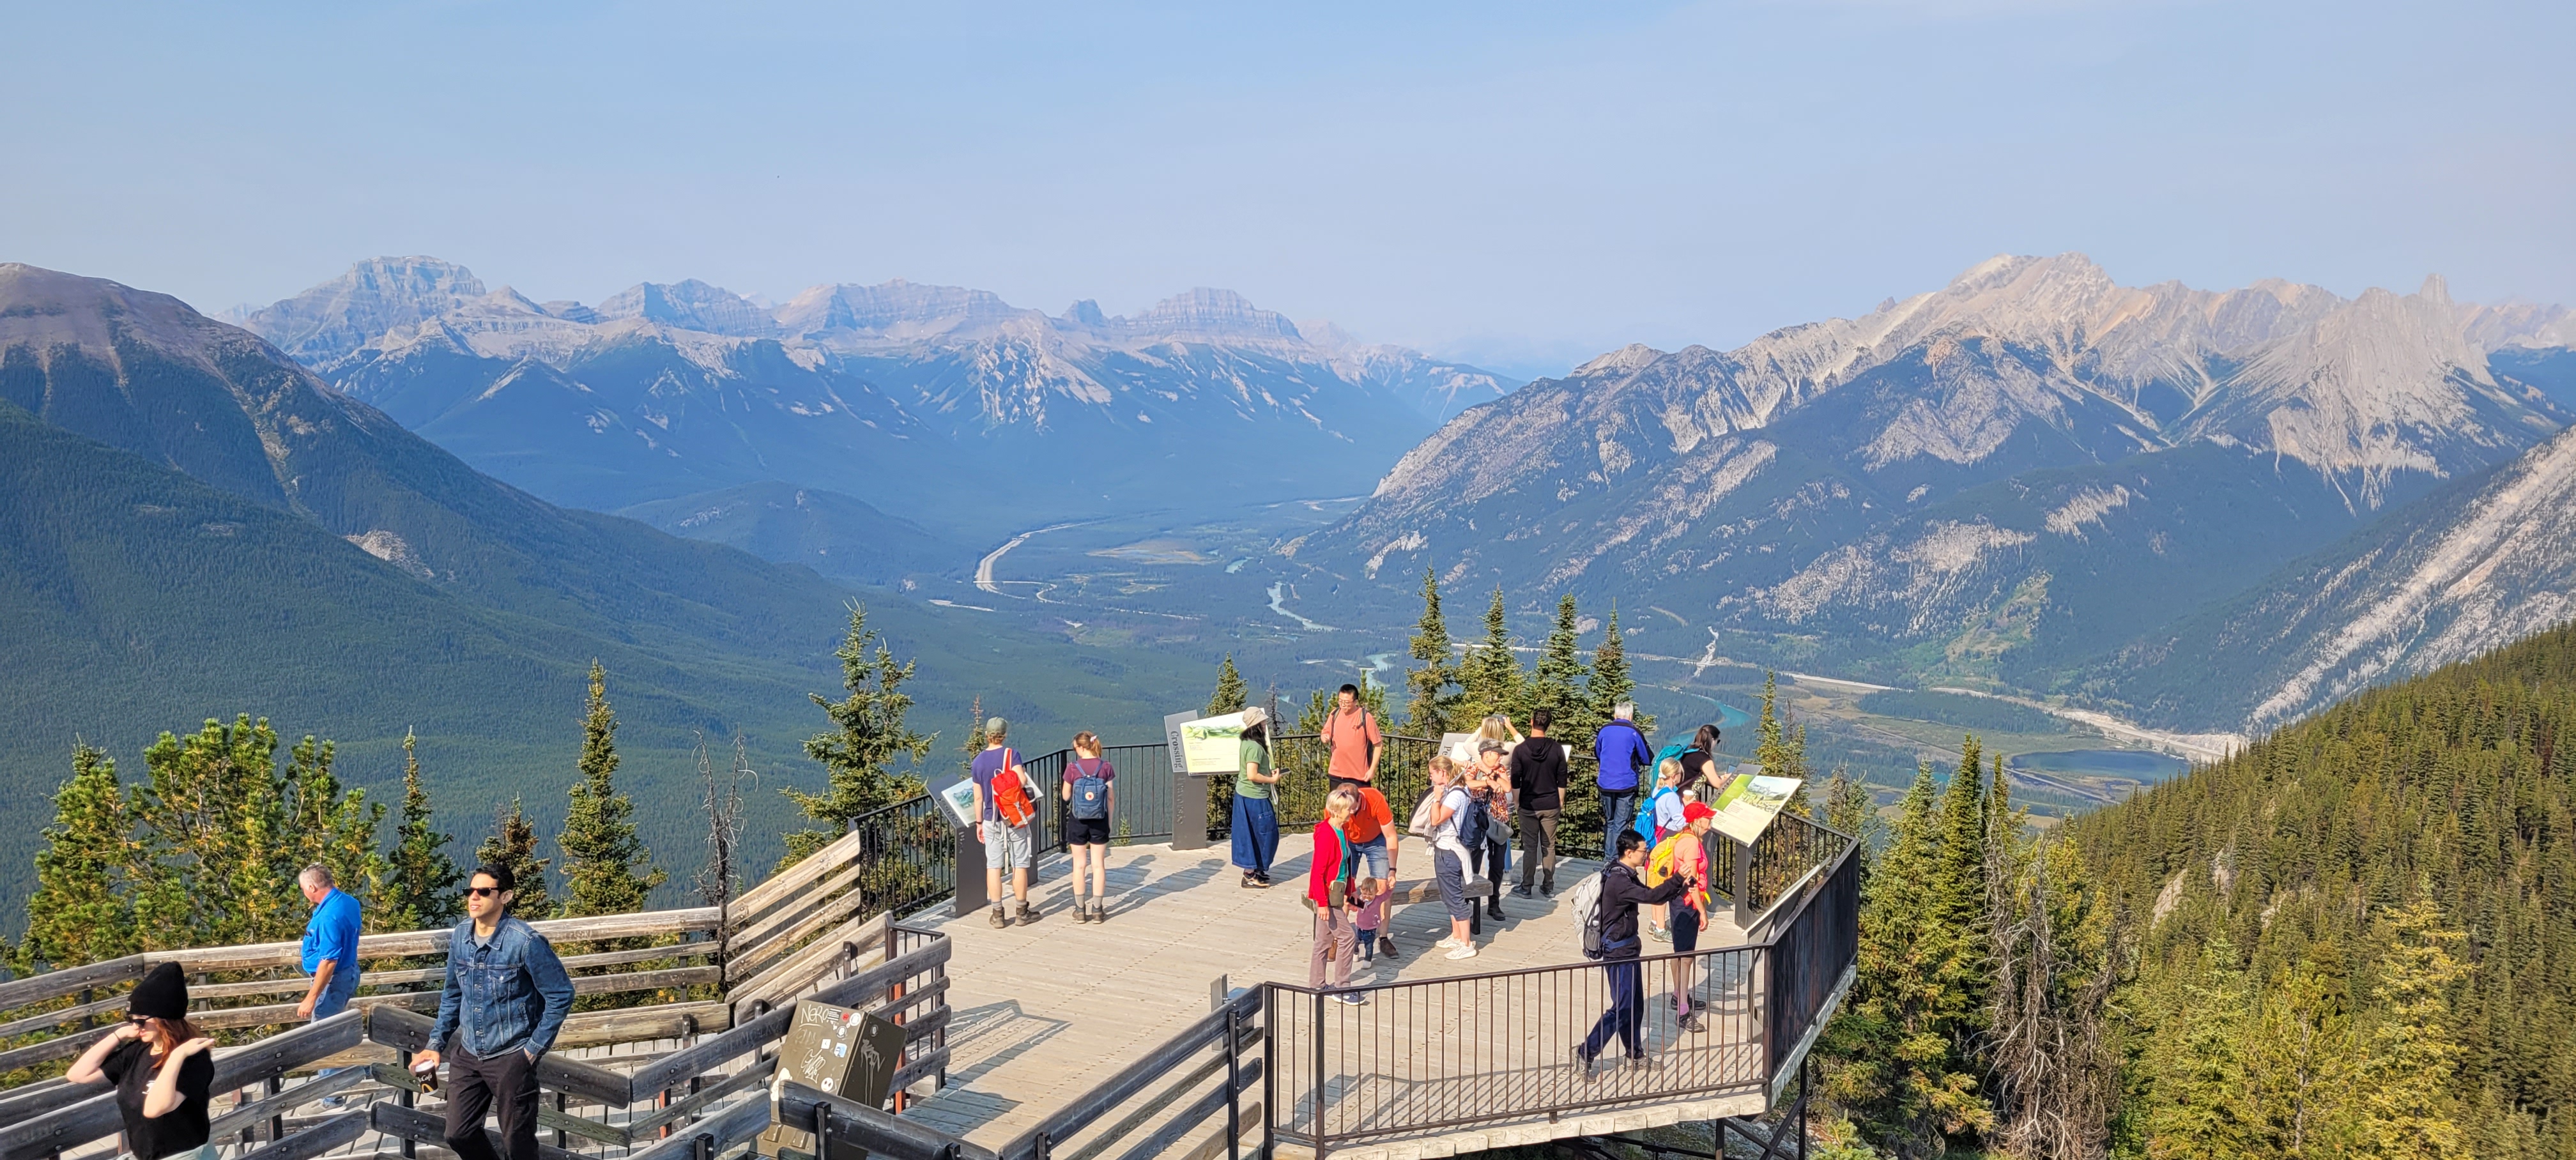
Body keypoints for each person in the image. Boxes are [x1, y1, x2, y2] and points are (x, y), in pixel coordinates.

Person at [417, 864, 575, 1160]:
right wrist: (435, 1045)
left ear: (505, 896)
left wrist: (531, 1052)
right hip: (468, 1053)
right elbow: (452, 993)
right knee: (458, 1133)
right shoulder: (461, 936)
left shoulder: (525, 942)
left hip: (512, 1054)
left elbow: (561, 995)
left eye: (484, 891)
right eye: (470, 891)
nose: (474, 897)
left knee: (518, 1142)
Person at [1574, 831, 1695, 1076]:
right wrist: (1677, 880)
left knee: (1635, 1006)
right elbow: (1649, 897)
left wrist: (1680, 885)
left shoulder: (1624, 873)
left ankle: (1635, 1054)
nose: (1646, 854)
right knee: (1621, 1009)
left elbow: (1651, 893)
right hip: (1618, 953)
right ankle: (1585, 1052)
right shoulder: (1619, 881)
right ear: (1629, 853)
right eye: (1643, 851)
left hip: (1628, 949)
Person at [69, 963, 215, 1160]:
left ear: (165, 1018)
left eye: (141, 1020)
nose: (136, 1026)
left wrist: (176, 1057)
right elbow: (78, 1074)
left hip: (186, 1155)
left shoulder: (194, 1059)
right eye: (131, 1019)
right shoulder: (137, 1052)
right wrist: (118, 1035)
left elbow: (154, 1108)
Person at [295, 862, 362, 1094]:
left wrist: (311, 998)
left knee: (323, 1037)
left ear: (312, 887)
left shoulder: (329, 917)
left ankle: (332, 1096)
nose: (303, 892)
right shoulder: (348, 902)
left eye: (303, 888)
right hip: (349, 972)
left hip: (332, 982)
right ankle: (356, 1071)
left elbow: (329, 960)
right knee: (333, 1031)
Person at [970, 719, 1043, 926]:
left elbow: (978, 798)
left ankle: (998, 914)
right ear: (1004, 734)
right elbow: (1021, 781)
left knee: (993, 865)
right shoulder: (1012, 755)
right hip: (1013, 816)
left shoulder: (978, 762)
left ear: (987, 735)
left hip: (990, 818)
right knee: (1019, 863)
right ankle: (1021, 911)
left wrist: (978, 823)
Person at [1660, 803, 1719, 1032]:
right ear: (1697, 821)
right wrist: (1702, 910)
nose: (1710, 823)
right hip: (1687, 904)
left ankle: (1678, 995)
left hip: (1678, 902)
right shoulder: (1692, 844)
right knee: (1686, 958)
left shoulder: (1684, 838)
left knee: (1680, 953)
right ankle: (1683, 1011)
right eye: (1707, 818)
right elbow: (1692, 882)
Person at [1308, 788, 1365, 1003]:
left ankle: (1317, 986)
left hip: (1338, 892)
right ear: (1336, 811)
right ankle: (1341, 988)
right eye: (1348, 809)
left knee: (1322, 942)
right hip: (1328, 897)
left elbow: (1345, 867)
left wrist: (1352, 897)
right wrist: (1322, 904)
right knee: (1348, 937)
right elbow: (1318, 872)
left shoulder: (1343, 831)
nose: (1351, 812)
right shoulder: (1326, 835)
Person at [1509, 708, 1568, 898]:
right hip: (1551, 804)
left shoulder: (1520, 750)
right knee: (1549, 845)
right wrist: (1560, 800)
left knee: (1530, 846)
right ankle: (1548, 885)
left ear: (1531, 721)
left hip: (1528, 805)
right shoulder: (1557, 749)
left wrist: (1517, 801)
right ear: (1548, 724)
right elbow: (1562, 779)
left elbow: (1515, 780)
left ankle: (1526, 886)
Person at [1423, 755, 1477, 959]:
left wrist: (1437, 799)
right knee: (1448, 896)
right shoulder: (1458, 789)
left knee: (1455, 897)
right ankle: (1456, 936)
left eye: (1432, 773)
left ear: (1442, 773)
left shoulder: (1455, 795)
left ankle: (1466, 943)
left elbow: (1436, 819)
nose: (1431, 777)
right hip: (1444, 849)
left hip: (1450, 851)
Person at [1060, 731, 1116, 924]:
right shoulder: (1106, 767)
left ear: (1082, 748)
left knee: (1079, 865)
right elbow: (1110, 797)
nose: (1075, 751)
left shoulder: (1073, 768)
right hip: (1100, 820)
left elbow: (1066, 796)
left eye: (1075, 748)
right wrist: (1109, 822)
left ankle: (1080, 910)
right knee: (1099, 865)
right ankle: (1098, 911)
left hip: (1078, 820)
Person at [1341, 780, 1400, 961]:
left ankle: (1383, 937)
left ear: (1359, 800)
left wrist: (1392, 870)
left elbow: (1391, 836)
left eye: (1352, 809)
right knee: (1343, 887)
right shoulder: (1336, 805)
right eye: (1346, 809)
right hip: (1349, 841)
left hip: (1376, 840)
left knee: (1383, 889)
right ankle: (1341, 938)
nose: (1349, 813)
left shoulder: (1375, 799)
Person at [1594, 703, 1653, 862]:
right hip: (1626, 784)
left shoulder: (1604, 731)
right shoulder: (1634, 733)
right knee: (1621, 824)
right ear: (1630, 717)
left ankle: (1608, 860)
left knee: (1610, 822)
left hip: (1605, 783)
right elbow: (1647, 758)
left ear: (1615, 715)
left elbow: (1598, 753)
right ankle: (1615, 862)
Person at [1230, 708, 1280, 888]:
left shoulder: (1246, 742)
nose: (1265, 725)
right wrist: (1272, 779)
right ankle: (1251, 874)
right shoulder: (1255, 747)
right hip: (1255, 797)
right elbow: (1252, 774)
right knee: (1267, 833)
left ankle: (1254, 870)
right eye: (1263, 723)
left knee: (1251, 834)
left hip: (1245, 795)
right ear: (1257, 725)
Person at [1466, 739, 1512, 922]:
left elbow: (1507, 787)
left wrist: (1491, 775)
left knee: (1498, 864)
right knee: (1474, 862)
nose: (1500, 756)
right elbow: (1468, 783)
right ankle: (1470, 900)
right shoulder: (1474, 768)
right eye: (1497, 753)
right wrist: (1486, 781)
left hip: (1498, 822)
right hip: (1478, 822)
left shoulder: (1499, 770)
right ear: (1487, 754)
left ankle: (1494, 903)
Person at [1640, 759, 1685, 943]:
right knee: (1663, 885)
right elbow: (1680, 823)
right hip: (1668, 842)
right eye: (1680, 775)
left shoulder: (1657, 791)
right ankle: (1660, 928)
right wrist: (1689, 807)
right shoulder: (1672, 797)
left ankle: (1654, 922)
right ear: (1674, 776)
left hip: (1656, 841)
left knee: (1655, 881)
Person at [1321, 683, 1383, 791]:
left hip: (1359, 776)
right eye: (1340, 701)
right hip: (1336, 774)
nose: (1343, 705)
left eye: (1346, 702)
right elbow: (1325, 732)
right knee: (1337, 807)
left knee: (1360, 806)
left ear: (1355, 702)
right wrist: (1324, 737)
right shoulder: (1334, 714)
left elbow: (1378, 744)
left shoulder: (1365, 717)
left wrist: (1372, 769)